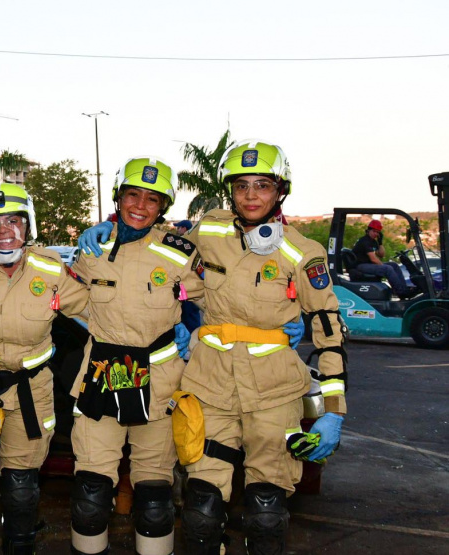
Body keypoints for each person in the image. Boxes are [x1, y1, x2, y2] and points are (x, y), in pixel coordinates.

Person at [79, 140, 330, 555]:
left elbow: (329, 325)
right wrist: (108, 229)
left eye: (262, 185)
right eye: (242, 186)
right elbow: (166, 255)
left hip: (269, 387)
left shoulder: (303, 251)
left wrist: (333, 409)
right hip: (208, 383)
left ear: (280, 190)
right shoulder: (208, 230)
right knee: (200, 507)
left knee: (266, 513)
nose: (251, 195)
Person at [0, 183, 88, 555]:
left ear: (28, 224)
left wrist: (170, 329)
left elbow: (97, 311)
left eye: (13, 221)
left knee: (22, 490)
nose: (4, 231)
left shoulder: (52, 270)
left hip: (31, 394)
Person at [68, 157, 201, 555]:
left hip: (159, 378)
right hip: (105, 371)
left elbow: (214, 297)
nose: (140, 206)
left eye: (151, 199)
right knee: (90, 495)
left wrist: (191, 329)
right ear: (118, 197)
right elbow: (68, 300)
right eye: (132, 195)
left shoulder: (179, 251)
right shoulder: (93, 247)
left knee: (155, 497)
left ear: (163, 207)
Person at [351, 219, 414, 298]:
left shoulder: (373, 241)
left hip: (368, 264)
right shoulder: (365, 241)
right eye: (374, 231)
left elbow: (381, 254)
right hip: (360, 265)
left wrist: (380, 242)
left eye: (377, 232)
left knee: (394, 265)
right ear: (368, 230)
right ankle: (401, 292)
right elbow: (373, 259)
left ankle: (404, 289)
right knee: (388, 268)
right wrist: (383, 267)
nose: (376, 234)